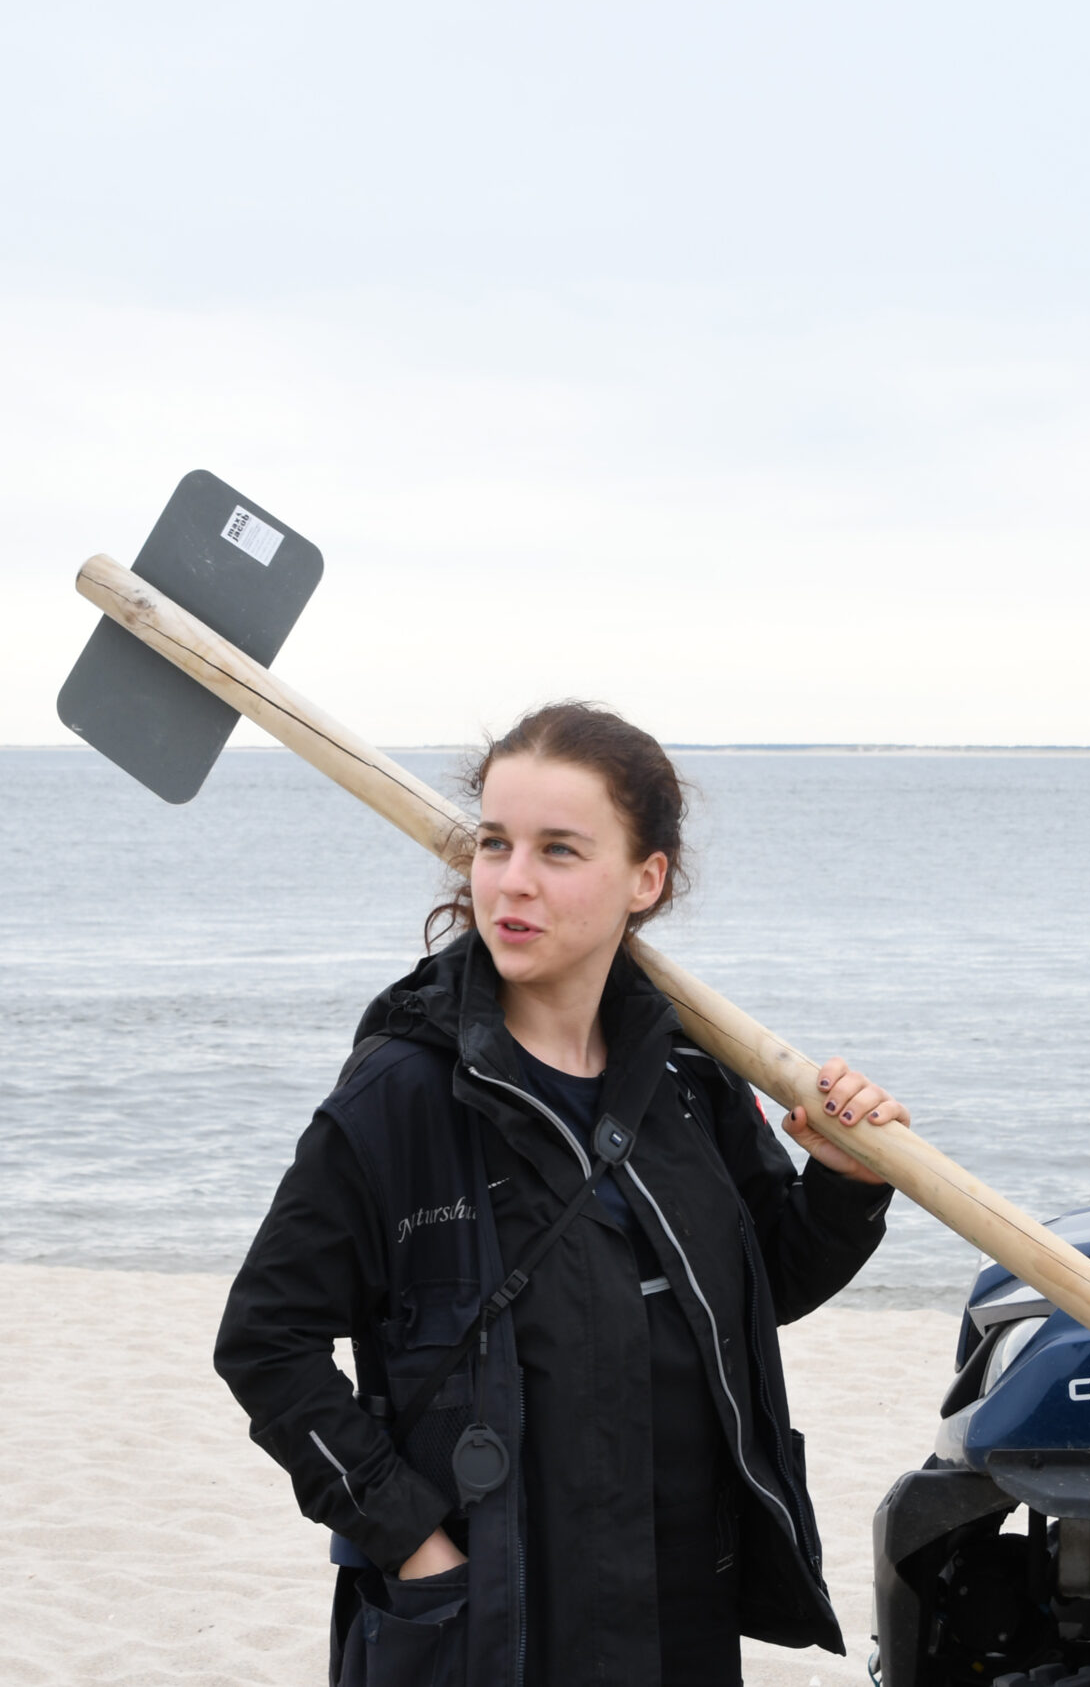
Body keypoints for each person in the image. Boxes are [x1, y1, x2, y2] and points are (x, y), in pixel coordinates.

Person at [216, 701, 912, 1687]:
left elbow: (757, 1289)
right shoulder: (403, 1092)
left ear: (646, 878)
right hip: (489, 1620)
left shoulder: (684, 1080)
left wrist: (847, 1184)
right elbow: (265, 1341)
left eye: (559, 851)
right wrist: (411, 1539)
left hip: (678, 1606)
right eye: (495, 844)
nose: (512, 882)